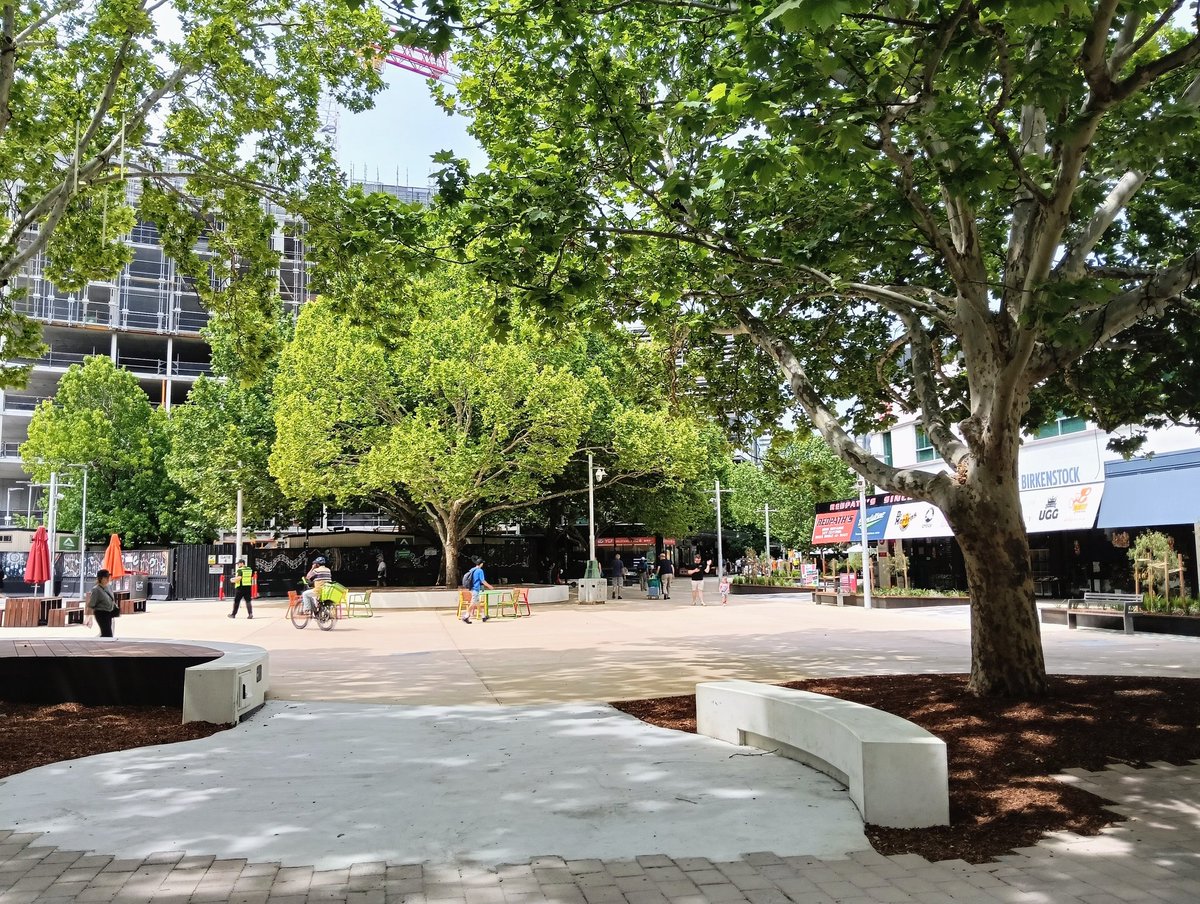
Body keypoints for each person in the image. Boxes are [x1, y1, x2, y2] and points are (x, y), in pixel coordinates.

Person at [87, 568, 119, 638]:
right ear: (100, 578)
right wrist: (89, 617)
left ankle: (100, 644)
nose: (108, 579)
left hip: (109, 613)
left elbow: (112, 599)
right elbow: (91, 604)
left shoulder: (109, 587)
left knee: (107, 633)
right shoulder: (96, 590)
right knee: (107, 634)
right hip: (101, 613)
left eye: (108, 577)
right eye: (106, 577)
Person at [462, 556, 493, 624]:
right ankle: (466, 616)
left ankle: (483, 616)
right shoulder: (480, 571)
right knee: (473, 603)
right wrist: (489, 586)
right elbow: (483, 581)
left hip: (472, 588)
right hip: (475, 589)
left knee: (477, 603)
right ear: (481, 564)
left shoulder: (473, 569)